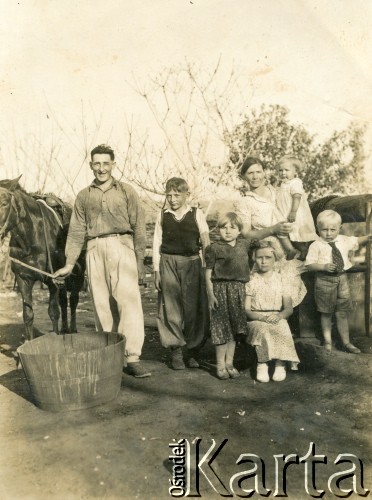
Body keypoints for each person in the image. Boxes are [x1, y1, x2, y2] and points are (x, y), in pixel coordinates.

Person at [53, 144, 151, 378]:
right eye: (97, 163)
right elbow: (76, 231)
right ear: (91, 165)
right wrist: (69, 263)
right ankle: (110, 356)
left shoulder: (127, 191)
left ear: (113, 165)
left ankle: (132, 357)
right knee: (101, 304)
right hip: (95, 248)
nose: (101, 168)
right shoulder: (84, 196)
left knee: (128, 302)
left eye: (106, 163)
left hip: (122, 245)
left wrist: (139, 261)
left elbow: (138, 227)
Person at [153, 177, 210, 370]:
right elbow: (156, 245)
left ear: (187, 195)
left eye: (177, 194)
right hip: (168, 262)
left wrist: (207, 265)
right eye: (169, 195)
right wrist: (156, 270)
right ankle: (176, 350)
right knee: (170, 307)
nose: (173, 199)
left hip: (192, 263)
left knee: (193, 308)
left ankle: (192, 351)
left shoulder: (196, 214)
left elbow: (205, 239)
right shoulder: (162, 215)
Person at [234, 156, 306, 309]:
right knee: (268, 286)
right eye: (250, 173)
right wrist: (272, 229)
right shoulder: (245, 201)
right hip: (265, 246)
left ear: (264, 173)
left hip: (287, 241)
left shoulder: (276, 191)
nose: (255, 177)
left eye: (258, 172)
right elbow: (246, 233)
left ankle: (286, 323)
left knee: (289, 282)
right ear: (243, 176)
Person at [305, 209, 371, 354]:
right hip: (324, 281)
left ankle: (346, 343)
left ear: (339, 229)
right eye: (324, 230)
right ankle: (328, 342)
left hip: (342, 279)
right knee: (326, 312)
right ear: (318, 229)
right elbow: (309, 265)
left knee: (341, 313)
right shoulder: (316, 245)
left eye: (332, 230)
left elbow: (357, 240)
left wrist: (369, 237)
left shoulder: (344, 240)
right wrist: (323, 266)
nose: (328, 233)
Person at [245, 241, 300, 383]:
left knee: (282, 327)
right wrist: (263, 318)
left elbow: (288, 308)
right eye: (259, 257)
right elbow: (246, 310)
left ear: (275, 258)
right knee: (262, 328)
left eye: (268, 258)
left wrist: (279, 316)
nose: (263, 261)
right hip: (256, 318)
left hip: (276, 316)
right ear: (254, 258)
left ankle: (280, 363)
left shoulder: (282, 280)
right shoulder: (251, 280)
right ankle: (262, 364)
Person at [205, 212, 250, 380]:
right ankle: (220, 365)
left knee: (235, 328)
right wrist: (210, 295)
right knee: (221, 328)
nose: (228, 231)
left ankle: (229, 363)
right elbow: (208, 273)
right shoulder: (214, 248)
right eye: (224, 227)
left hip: (239, 290)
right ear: (218, 230)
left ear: (239, 231)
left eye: (233, 227)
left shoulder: (244, 245)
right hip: (220, 290)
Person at [275, 155, 317, 260]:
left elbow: (297, 197)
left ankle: (303, 250)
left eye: (286, 170)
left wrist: (293, 211)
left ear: (295, 171)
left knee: (296, 233)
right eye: (280, 170)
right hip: (285, 214)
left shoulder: (295, 183)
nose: (283, 173)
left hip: (295, 214)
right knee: (286, 233)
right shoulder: (283, 184)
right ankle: (292, 250)